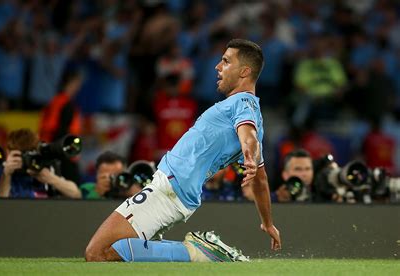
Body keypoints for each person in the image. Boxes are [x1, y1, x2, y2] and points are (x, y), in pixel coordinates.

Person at [85, 39, 281, 263]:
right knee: (125, 253)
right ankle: (202, 249)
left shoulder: (243, 104)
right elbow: (261, 181)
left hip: (169, 188)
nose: (218, 67)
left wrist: (248, 154)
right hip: (177, 191)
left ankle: (200, 252)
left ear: (245, 71)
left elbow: (249, 137)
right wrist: (267, 223)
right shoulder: (252, 115)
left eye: (226, 61)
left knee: (97, 253)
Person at [0, 128, 81, 199]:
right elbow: (0, 204)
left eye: (31, 154)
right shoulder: (4, 173)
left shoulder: (45, 168)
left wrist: (51, 179)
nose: (27, 160)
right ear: (10, 153)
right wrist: (6, 174)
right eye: (23, 155)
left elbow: (76, 194)